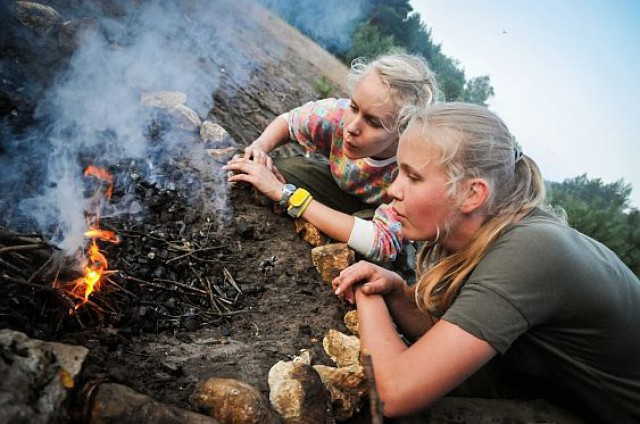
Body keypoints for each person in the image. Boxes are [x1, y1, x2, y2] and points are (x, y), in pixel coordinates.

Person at [332, 102, 640, 422]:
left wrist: (368, 298)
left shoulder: (530, 251)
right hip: (558, 388)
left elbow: (392, 394)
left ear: (472, 194)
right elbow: (450, 330)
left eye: (413, 177)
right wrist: (396, 292)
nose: (393, 190)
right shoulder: (490, 226)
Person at [223, 53, 439, 263]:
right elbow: (290, 122)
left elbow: (381, 242)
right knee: (278, 171)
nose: (352, 127)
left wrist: (287, 195)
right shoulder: (338, 114)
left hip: (377, 219)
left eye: (373, 123)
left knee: (368, 258)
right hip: (337, 188)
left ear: (403, 131)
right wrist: (261, 146)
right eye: (354, 107)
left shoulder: (412, 171)